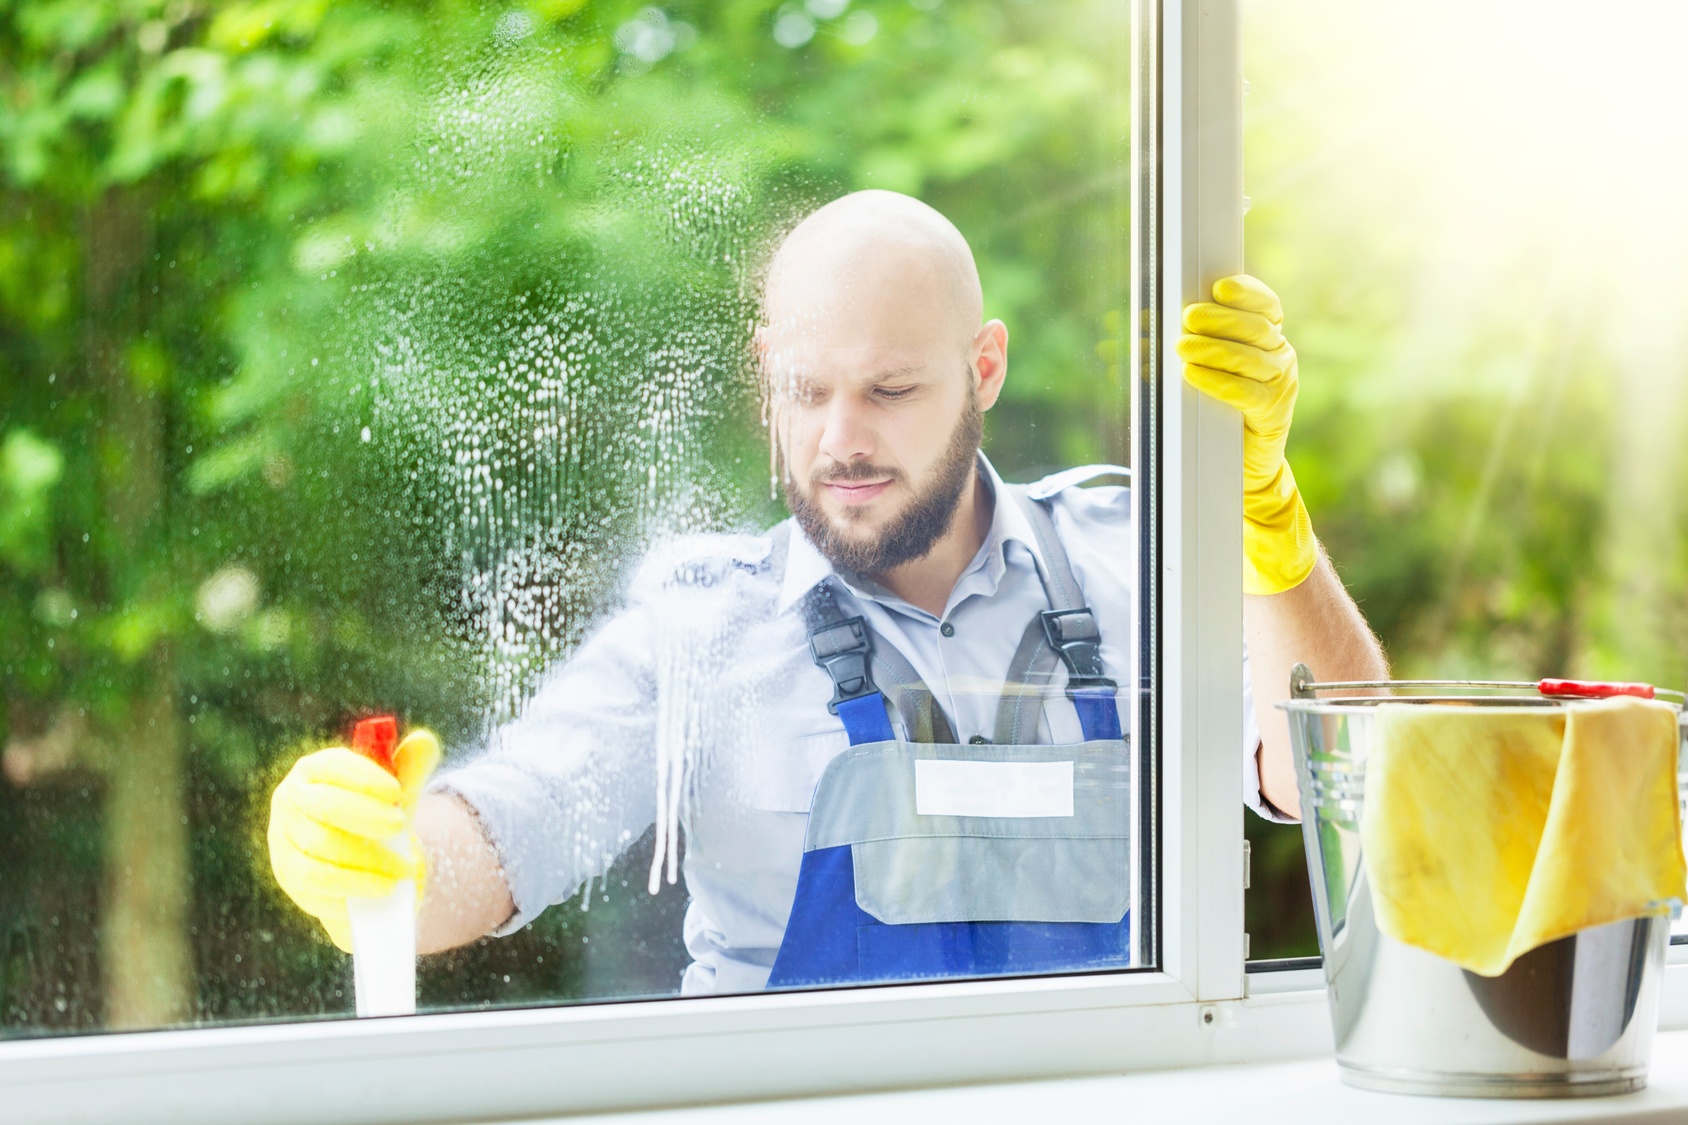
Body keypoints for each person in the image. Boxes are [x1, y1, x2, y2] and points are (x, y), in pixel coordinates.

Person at [267, 190, 1388, 994]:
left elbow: (1349, 779)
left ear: (983, 368)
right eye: (806, 391)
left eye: (890, 389)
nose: (839, 441)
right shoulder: (701, 626)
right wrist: (385, 863)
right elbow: (510, 834)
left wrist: (1266, 532)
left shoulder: (1128, 561)